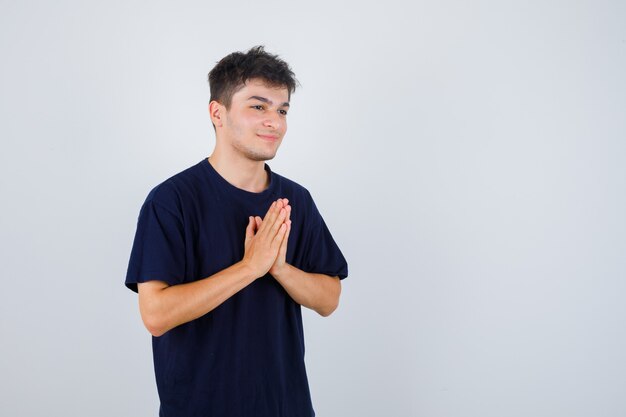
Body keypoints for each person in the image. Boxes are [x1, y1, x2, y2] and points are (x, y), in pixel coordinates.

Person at [125, 45, 349, 417]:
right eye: (258, 107)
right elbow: (156, 314)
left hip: (285, 407)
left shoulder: (296, 200)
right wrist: (250, 267)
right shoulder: (171, 201)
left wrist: (280, 269)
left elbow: (329, 298)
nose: (274, 122)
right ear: (218, 113)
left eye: (282, 110)